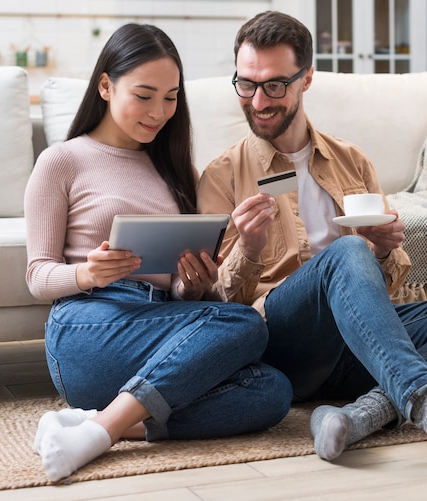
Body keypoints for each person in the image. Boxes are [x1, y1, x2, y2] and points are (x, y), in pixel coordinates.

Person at [197, 10, 427, 488]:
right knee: (345, 254)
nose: (258, 100)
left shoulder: (351, 160)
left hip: (362, 346)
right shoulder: (221, 176)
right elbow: (219, 312)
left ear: (307, 78)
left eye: (274, 85)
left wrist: (380, 251)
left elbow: (388, 281)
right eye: (246, 85)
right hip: (286, 344)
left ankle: (361, 415)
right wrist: (246, 250)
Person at [25, 23, 292, 483]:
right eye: (144, 95)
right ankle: (103, 432)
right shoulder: (62, 160)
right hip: (88, 326)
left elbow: (183, 296)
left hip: (158, 329)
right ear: (106, 86)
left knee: (272, 390)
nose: (159, 112)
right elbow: (37, 275)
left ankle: (103, 424)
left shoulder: (178, 169)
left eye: (170, 97)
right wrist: (88, 274)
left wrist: (194, 283)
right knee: (245, 322)